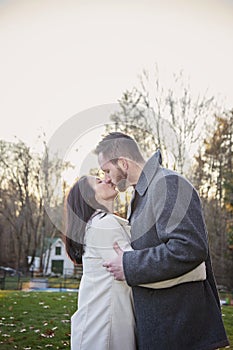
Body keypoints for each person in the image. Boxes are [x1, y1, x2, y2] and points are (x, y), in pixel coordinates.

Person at [95, 132, 230, 350]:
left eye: (107, 171)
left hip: (180, 329)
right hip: (160, 327)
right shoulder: (139, 197)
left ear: (123, 162)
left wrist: (129, 265)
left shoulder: (168, 184)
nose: (107, 178)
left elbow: (188, 248)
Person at [65, 175, 207, 350]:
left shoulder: (104, 223)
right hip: (104, 328)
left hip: (105, 322)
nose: (107, 179)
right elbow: (142, 273)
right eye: (99, 181)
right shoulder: (103, 225)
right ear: (87, 197)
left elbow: (138, 267)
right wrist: (195, 270)